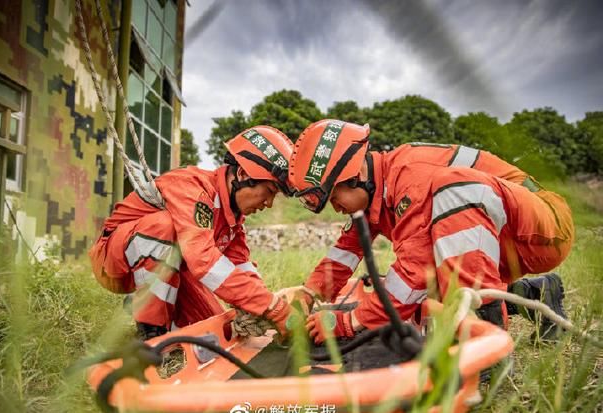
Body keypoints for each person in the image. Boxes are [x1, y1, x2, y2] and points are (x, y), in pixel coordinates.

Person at [284, 119, 574, 344]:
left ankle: (483, 337)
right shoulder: (376, 188)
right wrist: (309, 293)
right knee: (424, 303)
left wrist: (350, 322)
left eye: (335, 199)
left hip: (544, 229)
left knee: (452, 190)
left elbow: (414, 271)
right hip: (506, 233)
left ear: (356, 175)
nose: (336, 208)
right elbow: (347, 249)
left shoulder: (410, 176)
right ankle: (537, 295)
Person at [89, 126, 294, 340]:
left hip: (173, 268)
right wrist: (271, 308)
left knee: (215, 331)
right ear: (242, 174)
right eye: (270, 191)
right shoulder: (191, 186)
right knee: (163, 225)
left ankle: (157, 314)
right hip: (114, 261)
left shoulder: (231, 219)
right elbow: (203, 260)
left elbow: (240, 265)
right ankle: (151, 332)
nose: (269, 203)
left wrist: (263, 304)